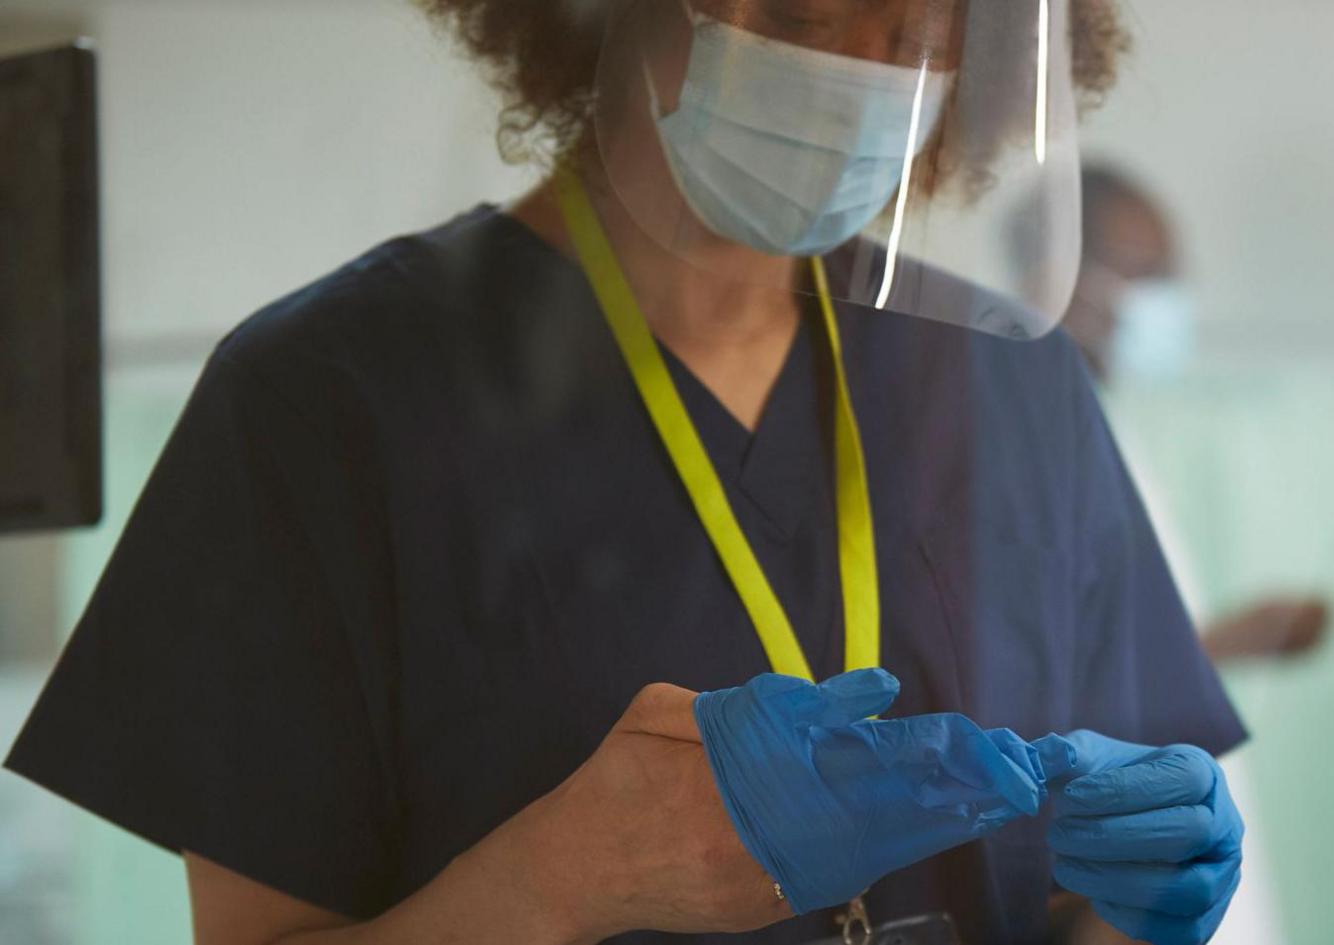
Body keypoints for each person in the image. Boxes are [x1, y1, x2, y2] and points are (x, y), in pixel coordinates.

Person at [6, 5, 1247, 945]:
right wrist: (563, 877)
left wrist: (1137, 901)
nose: (867, 63)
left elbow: (1078, 895)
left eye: (918, 23)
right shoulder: (322, 401)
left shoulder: (1007, 384)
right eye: (800, 11)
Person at [1066, 164, 1331, 665]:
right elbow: (1066, 670)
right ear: (1067, 276)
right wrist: (1232, 641)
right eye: (1148, 275)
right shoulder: (1037, 441)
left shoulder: (1105, 423)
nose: (1167, 299)